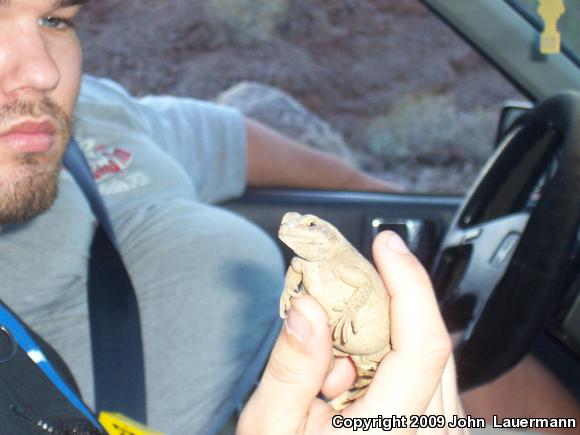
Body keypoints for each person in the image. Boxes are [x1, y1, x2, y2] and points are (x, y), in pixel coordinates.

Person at [0, 1, 576, 434]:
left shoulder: (92, 111)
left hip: (326, 380)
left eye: (55, 19)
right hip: (236, 415)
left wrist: (373, 189)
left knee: (500, 372)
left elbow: (224, 136)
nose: (44, 71)